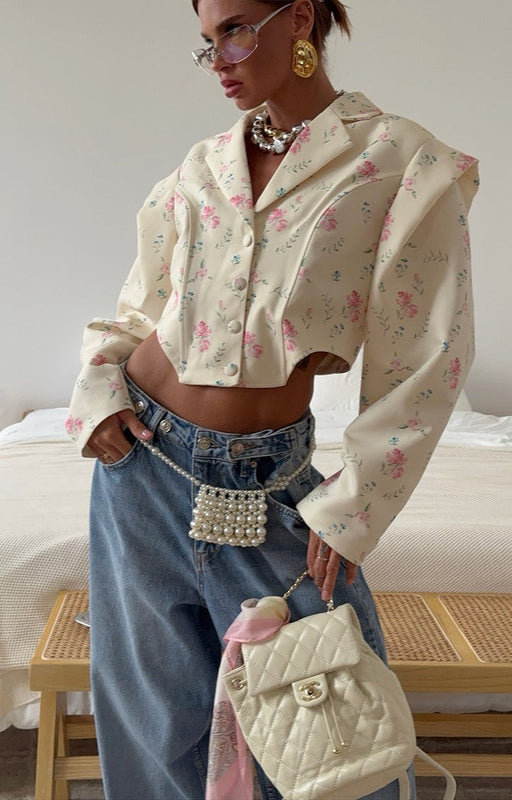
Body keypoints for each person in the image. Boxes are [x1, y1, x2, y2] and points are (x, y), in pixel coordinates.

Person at [66, 1, 479, 798]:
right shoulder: (202, 167)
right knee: (154, 723)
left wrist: (355, 504)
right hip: (139, 466)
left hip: (265, 478)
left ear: (300, 19)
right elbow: (141, 308)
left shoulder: (401, 161)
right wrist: (100, 388)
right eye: (207, 41)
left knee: (333, 732)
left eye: (235, 28)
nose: (218, 59)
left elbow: (427, 353)